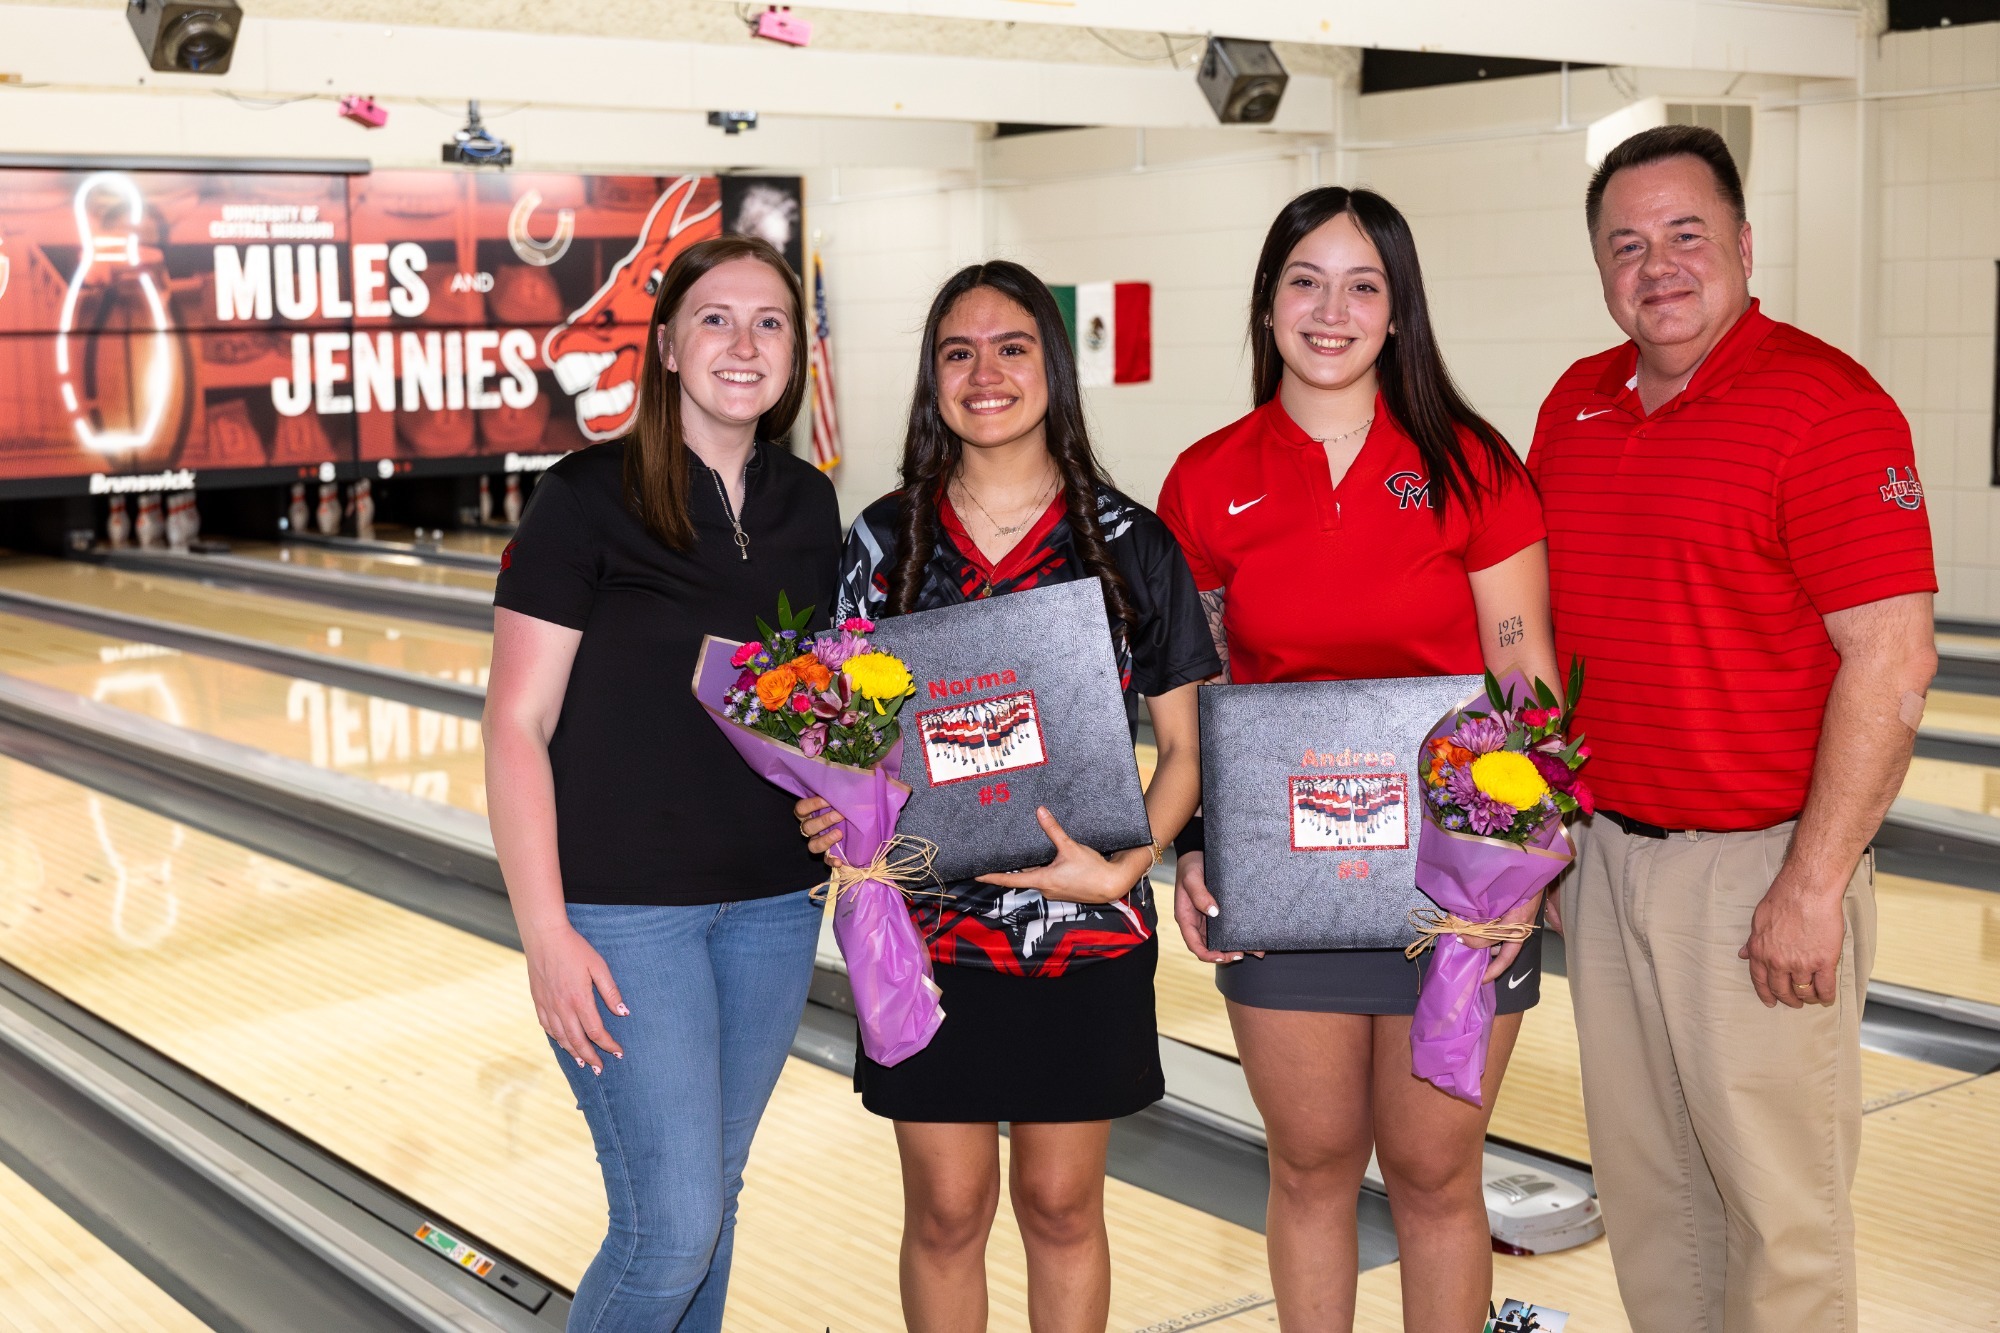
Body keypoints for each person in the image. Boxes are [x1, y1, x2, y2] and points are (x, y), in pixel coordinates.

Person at [1529, 124, 1937, 1332]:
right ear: (1599, 268)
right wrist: (1553, 838)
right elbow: (1541, 643)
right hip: (1608, 859)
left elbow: (1891, 659)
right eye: (1625, 244)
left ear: (1745, 246)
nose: (1656, 266)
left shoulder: (1825, 407)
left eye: (1685, 235)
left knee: (1778, 1217)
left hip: (1757, 867)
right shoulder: (1575, 404)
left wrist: (1811, 883)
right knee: (1653, 1207)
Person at [1156, 187, 1559, 1331]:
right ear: (1267, 300)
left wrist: (1518, 868)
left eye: (1361, 284)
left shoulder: (1472, 466)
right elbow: (1193, 691)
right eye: (1304, 280)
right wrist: (1194, 841)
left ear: (1397, 312)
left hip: (1454, 883)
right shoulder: (1205, 476)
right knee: (1311, 1165)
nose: (1330, 310)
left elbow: (1523, 679)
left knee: (1436, 1174)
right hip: (1290, 877)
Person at [795, 260, 1217, 1332]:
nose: (984, 372)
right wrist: (828, 808)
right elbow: (841, 740)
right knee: (944, 1209)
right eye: (957, 351)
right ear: (932, 377)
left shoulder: (1129, 544)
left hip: (1082, 924)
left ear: (1052, 370)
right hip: (924, 935)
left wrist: (1132, 860)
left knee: (1059, 1202)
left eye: (1011, 347)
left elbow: (1186, 742)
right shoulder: (882, 544)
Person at [484, 234, 840, 1332]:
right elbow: (513, 720)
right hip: (625, 918)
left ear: (793, 352)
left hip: (774, 909)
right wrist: (545, 930)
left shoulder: (810, 506)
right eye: (716, 319)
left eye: (769, 322)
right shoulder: (585, 497)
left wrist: (846, 796)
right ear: (669, 346)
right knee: (670, 1226)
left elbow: (812, 706)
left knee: (710, 1206)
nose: (744, 342)